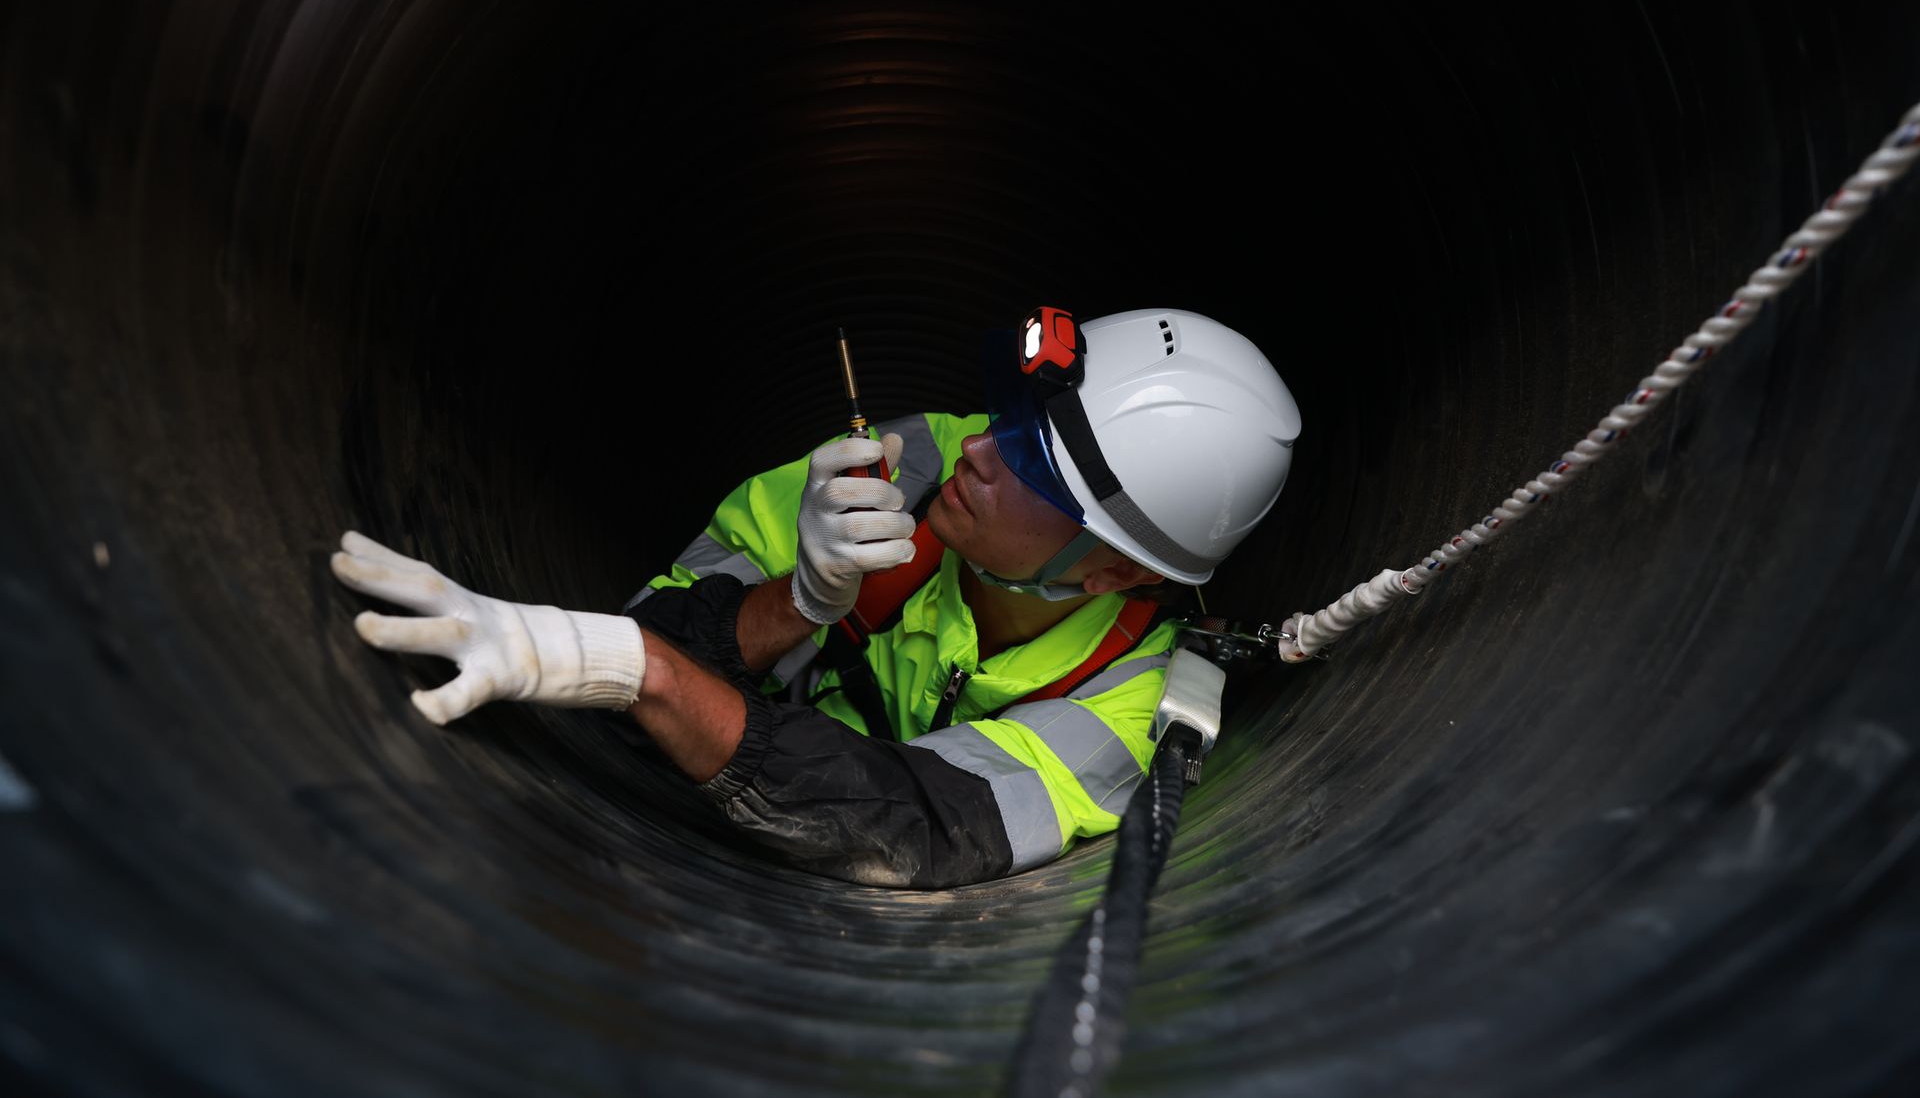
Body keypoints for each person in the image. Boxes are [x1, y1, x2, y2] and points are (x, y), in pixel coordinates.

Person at [331, 306, 1301, 888]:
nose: (976, 449)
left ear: (1117, 572)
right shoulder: (902, 468)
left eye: (1037, 469)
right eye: (1012, 415)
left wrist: (642, 674)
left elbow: (909, 821)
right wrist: (797, 599)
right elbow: (660, 615)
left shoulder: (1128, 707)